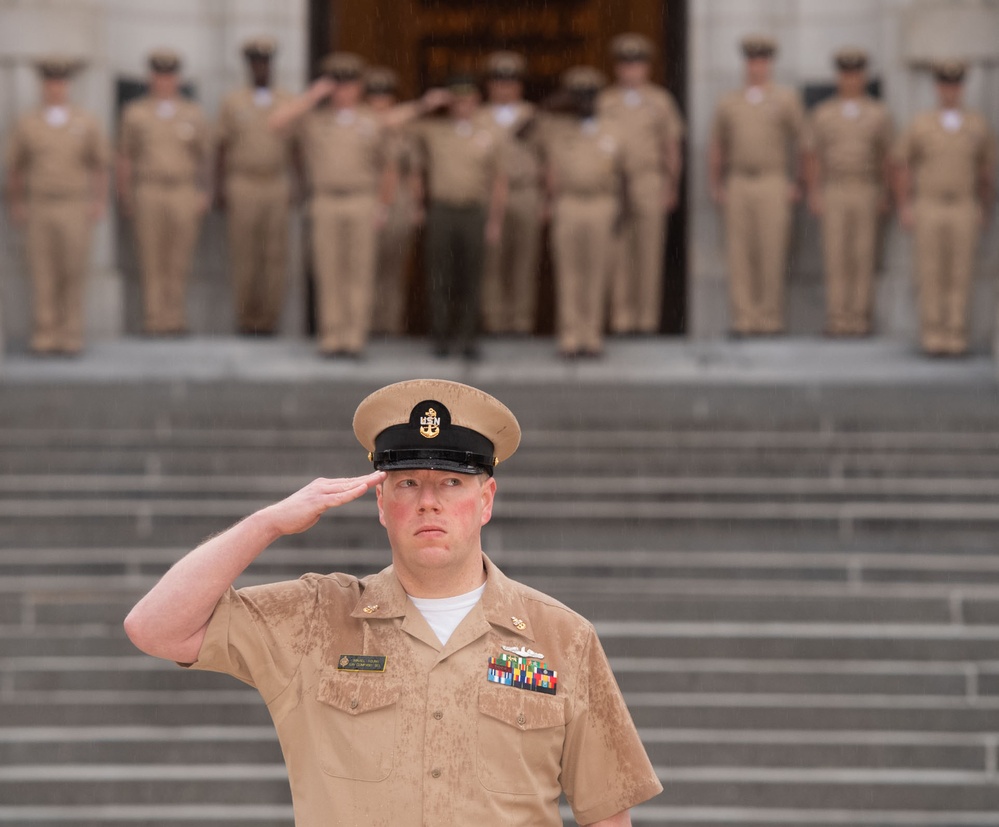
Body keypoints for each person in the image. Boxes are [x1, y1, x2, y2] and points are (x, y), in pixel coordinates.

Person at [124, 378, 663, 825]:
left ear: (486, 500)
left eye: (452, 481)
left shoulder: (562, 638)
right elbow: (155, 628)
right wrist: (267, 524)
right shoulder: (317, 619)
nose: (429, 501)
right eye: (407, 482)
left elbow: (606, 815)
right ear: (380, 502)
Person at [269, 52, 389, 358]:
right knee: (328, 269)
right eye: (337, 84)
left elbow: (387, 167)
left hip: (361, 199)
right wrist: (313, 95)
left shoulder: (372, 120)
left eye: (349, 84)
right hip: (324, 200)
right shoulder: (314, 120)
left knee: (358, 270)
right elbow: (276, 123)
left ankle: (354, 337)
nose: (343, 91)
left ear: (359, 86)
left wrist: (382, 204)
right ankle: (332, 336)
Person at [5, 56, 110, 355]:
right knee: (41, 272)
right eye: (50, 82)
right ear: (43, 85)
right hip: (39, 206)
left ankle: (71, 334)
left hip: (74, 205)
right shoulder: (28, 123)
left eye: (60, 82)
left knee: (73, 270)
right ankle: (45, 333)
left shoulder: (85, 121)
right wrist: (17, 202)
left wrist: (98, 201)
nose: (55, 88)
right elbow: (16, 168)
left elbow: (99, 165)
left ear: (67, 85)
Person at [893, 59, 995, 356]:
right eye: (945, 84)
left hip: (964, 204)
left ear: (961, 87)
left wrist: (983, 206)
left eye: (955, 84)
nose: (950, 90)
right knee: (929, 272)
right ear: (937, 87)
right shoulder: (921, 123)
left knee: (960, 272)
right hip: (929, 204)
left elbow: (986, 170)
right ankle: (932, 334)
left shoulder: (976, 124)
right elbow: (902, 164)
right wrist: (905, 204)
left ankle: (955, 333)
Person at [708, 35, 805, 337]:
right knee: (739, 253)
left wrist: (797, 181)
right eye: (752, 60)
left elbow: (804, 142)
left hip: (772, 181)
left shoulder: (785, 99)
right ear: (745, 64)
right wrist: (716, 183)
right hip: (738, 181)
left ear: (770, 64)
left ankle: (770, 318)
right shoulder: (729, 102)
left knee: (772, 251)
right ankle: (743, 319)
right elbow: (717, 146)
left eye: (762, 61)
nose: (757, 67)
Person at [409, 75, 508, 360]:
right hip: (442, 209)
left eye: (468, 100)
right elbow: (394, 125)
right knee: (441, 275)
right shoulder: (433, 130)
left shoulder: (490, 133)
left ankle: (468, 337)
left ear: (477, 101)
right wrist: (427, 103)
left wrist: (495, 220)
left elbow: (499, 180)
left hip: (474, 210)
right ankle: (440, 335)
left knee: (472, 276)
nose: (463, 106)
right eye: (457, 100)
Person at [117, 49, 211, 335]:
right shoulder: (135, 113)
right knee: (151, 257)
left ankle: (175, 318)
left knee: (179, 258)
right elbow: (124, 157)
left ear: (177, 79)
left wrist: (204, 191)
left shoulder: (192, 113)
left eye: (169, 76)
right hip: (149, 190)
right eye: (159, 76)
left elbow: (203, 157)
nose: (164, 82)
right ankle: (154, 319)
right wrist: (125, 195)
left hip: (182, 190)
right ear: (151, 78)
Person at [598, 33, 685, 336]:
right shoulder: (604, 100)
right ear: (617, 68)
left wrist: (672, 186)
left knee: (649, 252)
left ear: (646, 67)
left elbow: (671, 145)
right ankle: (622, 319)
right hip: (613, 183)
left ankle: (646, 320)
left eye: (637, 64)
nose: (631, 71)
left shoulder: (660, 100)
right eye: (625, 64)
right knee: (618, 253)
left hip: (649, 180)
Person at [805, 48, 893, 337]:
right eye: (846, 73)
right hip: (834, 188)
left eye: (856, 74)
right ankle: (838, 319)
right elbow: (813, 155)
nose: (851, 79)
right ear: (839, 76)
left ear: (863, 76)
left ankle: (860, 320)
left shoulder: (878, 114)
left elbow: (886, 157)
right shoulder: (823, 114)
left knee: (863, 255)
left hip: (866, 187)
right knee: (835, 255)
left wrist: (885, 192)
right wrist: (814, 191)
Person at [216, 36, 298, 336]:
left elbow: (297, 148)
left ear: (271, 66)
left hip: (276, 181)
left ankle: (269, 320)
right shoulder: (233, 102)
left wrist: (298, 185)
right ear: (248, 67)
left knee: (274, 256)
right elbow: (222, 147)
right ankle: (246, 319)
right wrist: (219, 188)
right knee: (244, 255)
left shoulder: (287, 101)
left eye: (265, 63)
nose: (260, 68)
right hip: (243, 182)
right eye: (255, 63)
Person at [540, 67, 624, 358]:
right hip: (568, 203)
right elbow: (522, 131)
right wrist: (557, 102)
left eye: (589, 96)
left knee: (597, 271)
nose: (584, 102)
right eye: (578, 96)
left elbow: (626, 171)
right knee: (569, 273)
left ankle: (592, 335)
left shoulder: (613, 128)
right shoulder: (556, 127)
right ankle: (570, 336)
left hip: (602, 203)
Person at [475, 51, 543, 336]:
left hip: (525, 191)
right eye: (498, 81)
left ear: (520, 85)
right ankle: (494, 322)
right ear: (490, 85)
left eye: (510, 81)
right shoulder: (478, 116)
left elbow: (547, 157)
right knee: (491, 262)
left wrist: (546, 197)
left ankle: (520, 322)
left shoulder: (534, 115)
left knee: (524, 261)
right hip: (489, 194)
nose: (504, 88)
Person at [366, 66, 421, 336]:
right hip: (366, 197)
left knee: (393, 269)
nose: (380, 102)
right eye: (374, 95)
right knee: (365, 268)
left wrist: (416, 205)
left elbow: (412, 171)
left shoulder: (404, 132)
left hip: (397, 201)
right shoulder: (362, 126)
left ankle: (389, 325)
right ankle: (367, 325)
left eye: (385, 95)